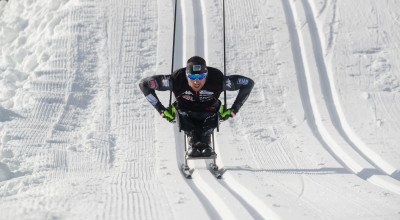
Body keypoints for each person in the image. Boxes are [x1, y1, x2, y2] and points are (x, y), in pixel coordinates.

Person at [139, 56, 254, 157]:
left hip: (210, 112)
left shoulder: (217, 79)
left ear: (207, 74)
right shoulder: (176, 80)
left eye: (201, 76)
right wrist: (161, 110)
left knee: (210, 120)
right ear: (186, 75)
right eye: (192, 77)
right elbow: (144, 84)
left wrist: (234, 109)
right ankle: (193, 141)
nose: (196, 82)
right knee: (184, 119)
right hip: (185, 113)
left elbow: (248, 83)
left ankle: (205, 141)